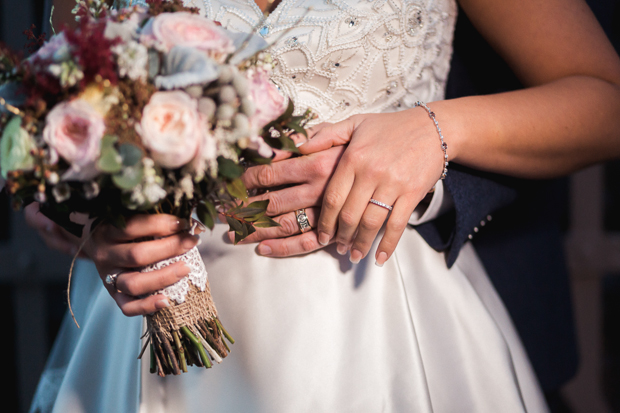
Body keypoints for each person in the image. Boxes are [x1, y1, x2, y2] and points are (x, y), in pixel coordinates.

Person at [28, 0, 620, 412]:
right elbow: (52, 130)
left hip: (380, 311)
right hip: (155, 316)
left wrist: (435, 130)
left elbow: (604, 99)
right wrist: (85, 220)